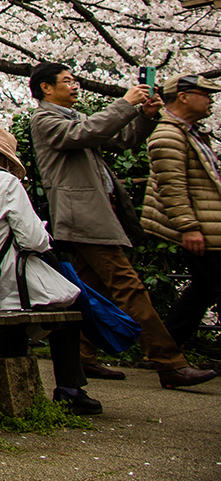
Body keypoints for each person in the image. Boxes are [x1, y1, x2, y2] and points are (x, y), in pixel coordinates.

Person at [29, 62, 217, 388]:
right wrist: (126, 102)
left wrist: (143, 114)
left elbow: (120, 140)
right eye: (68, 81)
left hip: (90, 216)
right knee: (129, 287)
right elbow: (86, 134)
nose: (75, 86)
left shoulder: (73, 119)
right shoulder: (45, 119)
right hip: (82, 216)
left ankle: (84, 357)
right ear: (46, 88)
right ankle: (169, 362)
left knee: (91, 289)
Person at [0, 124, 104, 414]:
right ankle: (70, 388)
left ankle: (16, 357)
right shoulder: (4, 182)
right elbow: (34, 240)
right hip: (3, 283)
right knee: (70, 303)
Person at [140, 75, 221, 351]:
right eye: (205, 93)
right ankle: (164, 349)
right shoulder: (168, 135)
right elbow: (171, 185)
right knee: (207, 288)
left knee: (202, 290)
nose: (211, 99)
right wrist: (188, 226)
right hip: (204, 228)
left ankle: (165, 347)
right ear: (184, 96)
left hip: (209, 224)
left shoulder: (189, 132)